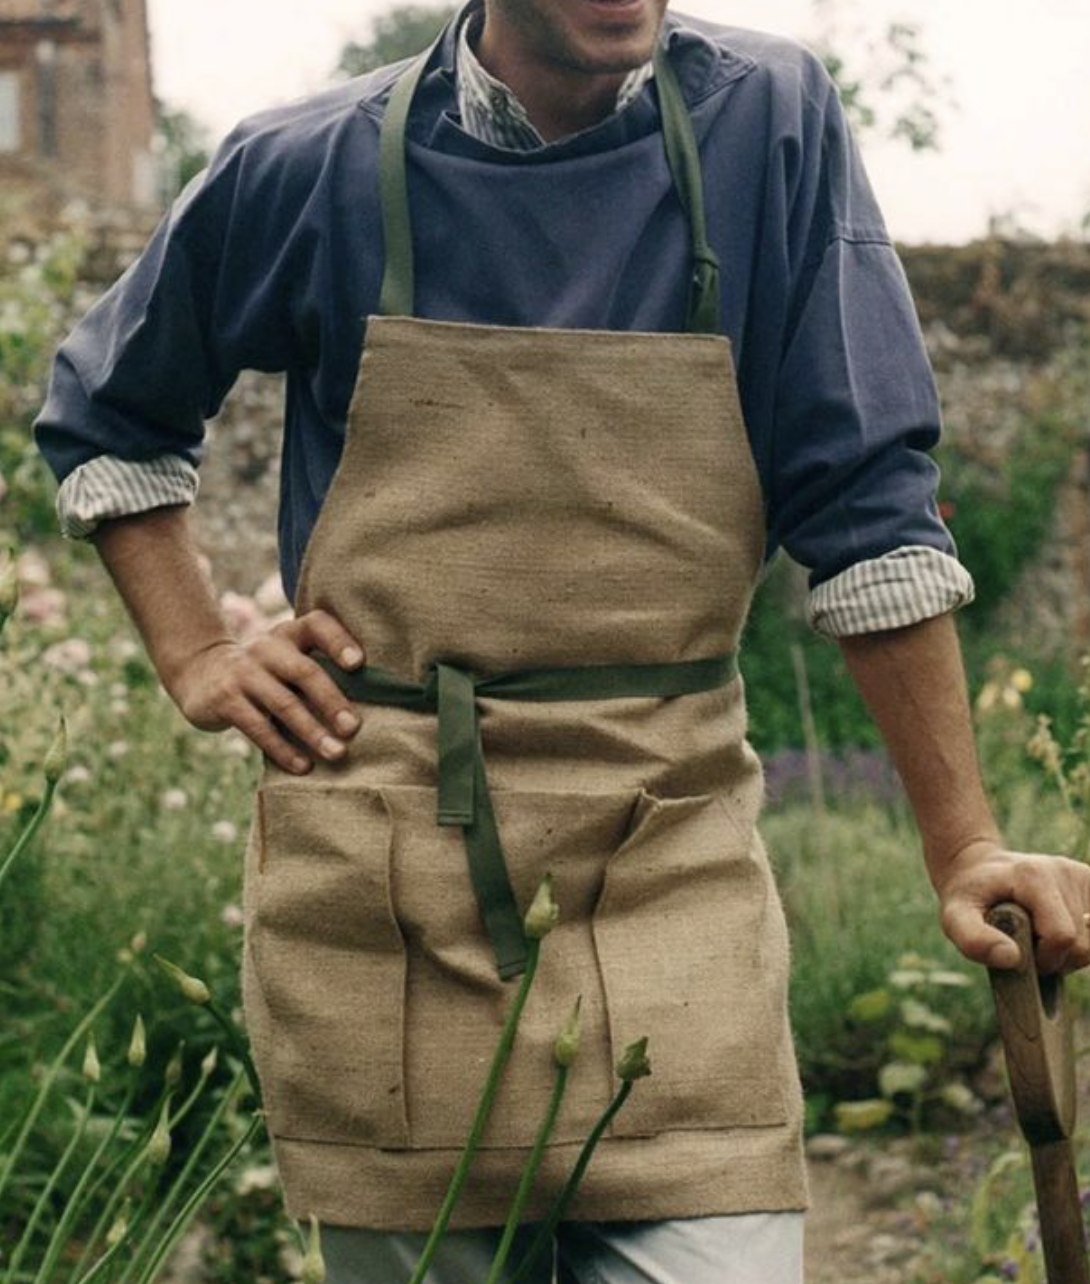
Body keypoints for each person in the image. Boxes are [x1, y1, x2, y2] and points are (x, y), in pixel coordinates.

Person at [33, 1, 1090, 1281]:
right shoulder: (309, 164)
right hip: (381, 892)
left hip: (665, 856)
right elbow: (110, 415)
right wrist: (199, 650)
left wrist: (963, 845)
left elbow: (866, 507)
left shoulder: (768, 121)